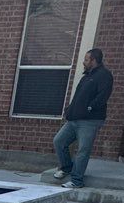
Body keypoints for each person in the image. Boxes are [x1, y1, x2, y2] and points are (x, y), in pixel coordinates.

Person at [48, 48, 113, 189]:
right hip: (74, 119)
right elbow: (78, 97)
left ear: (94, 60)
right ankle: (66, 168)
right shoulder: (86, 76)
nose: (83, 62)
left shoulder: (104, 75)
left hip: (90, 120)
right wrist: (69, 110)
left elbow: (103, 95)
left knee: (83, 150)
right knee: (59, 141)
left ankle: (76, 180)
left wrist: (91, 107)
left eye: (86, 59)